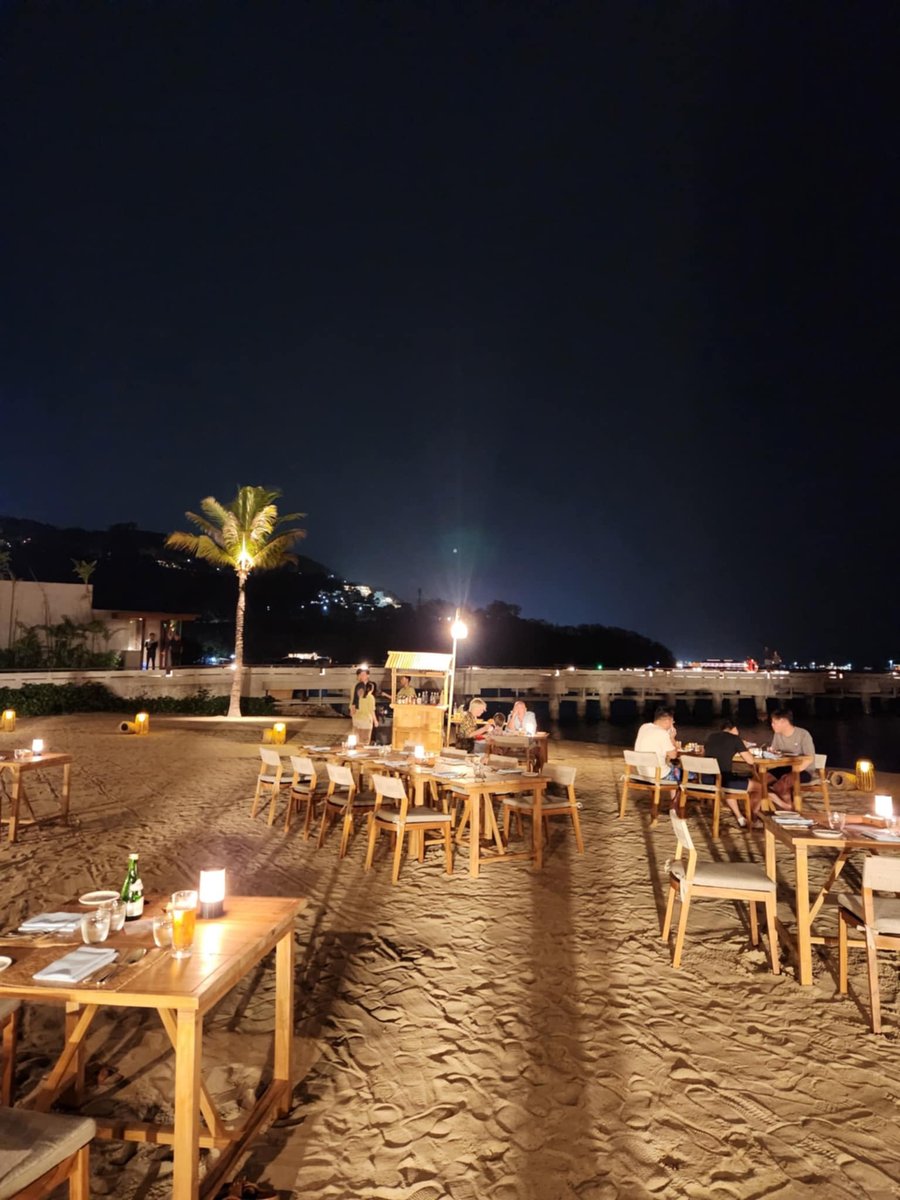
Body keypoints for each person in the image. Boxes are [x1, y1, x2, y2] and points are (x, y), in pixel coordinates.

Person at [702, 719, 763, 828]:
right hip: (723, 781)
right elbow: (750, 761)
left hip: (707, 779)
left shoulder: (711, 737)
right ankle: (752, 818)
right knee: (758, 787)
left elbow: (705, 753)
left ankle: (740, 818)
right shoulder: (735, 738)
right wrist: (742, 746)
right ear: (734, 729)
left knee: (730, 783)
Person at [767, 708, 816, 810]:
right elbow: (775, 752)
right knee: (761, 779)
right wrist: (771, 752)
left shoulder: (803, 734)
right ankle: (786, 805)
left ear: (784, 722)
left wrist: (794, 771)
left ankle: (788, 809)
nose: (772, 725)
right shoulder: (777, 734)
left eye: (774, 722)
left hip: (803, 770)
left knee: (784, 781)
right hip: (784, 766)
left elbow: (810, 758)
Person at [634, 706, 681, 786]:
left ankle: (673, 798)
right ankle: (681, 798)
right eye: (672, 722)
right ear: (667, 721)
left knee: (673, 769)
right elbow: (673, 756)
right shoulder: (663, 733)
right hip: (659, 775)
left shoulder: (644, 727)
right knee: (686, 774)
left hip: (642, 773)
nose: (672, 725)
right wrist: (672, 738)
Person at [350, 681, 378, 746]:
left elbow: (352, 712)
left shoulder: (355, 697)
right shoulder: (370, 697)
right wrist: (375, 721)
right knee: (364, 743)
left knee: (356, 742)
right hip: (365, 722)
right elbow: (372, 710)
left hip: (356, 722)